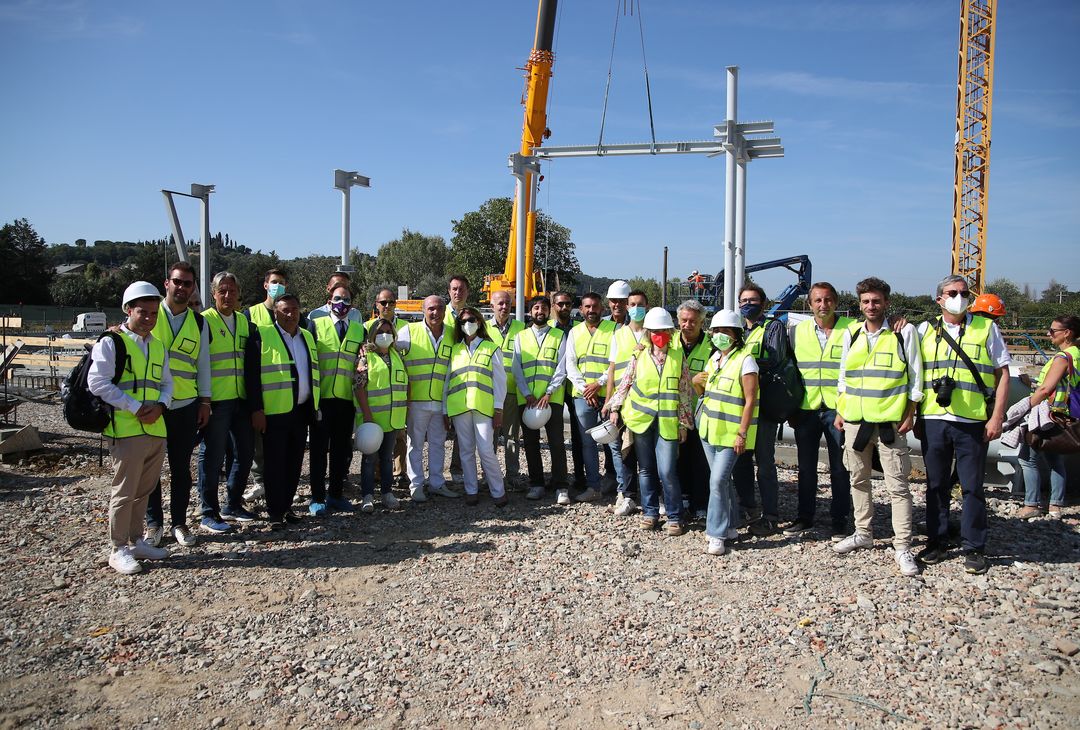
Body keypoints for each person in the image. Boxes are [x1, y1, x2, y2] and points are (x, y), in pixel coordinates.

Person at [916, 275, 1011, 575]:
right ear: (939, 299)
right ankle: (937, 541)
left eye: (964, 292)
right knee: (935, 485)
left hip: (972, 421)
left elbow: (1003, 373)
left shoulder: (986, 327)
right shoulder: (924, 330)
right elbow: (914, 374)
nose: (959, 296)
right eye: (952, 292)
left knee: (971, 488)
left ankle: (974, 547)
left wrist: (996, 416)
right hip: (934, 419)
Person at [832, 277, 923, 577]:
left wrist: (911, 412)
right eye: (866, 301)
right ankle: (863, 533)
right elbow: (844, 374)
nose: (871, 306)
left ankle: (903, 546)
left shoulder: (903, 332)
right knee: (858, 480)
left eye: (876, 301)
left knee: (898, 486)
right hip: (855, 421)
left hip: (889, 422)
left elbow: (914, 377)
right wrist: (840, 410)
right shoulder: (853, 333)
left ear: (886, 302)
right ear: (859, 304)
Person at [89, 281, 173, 574]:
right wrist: (136, 408)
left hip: (155, 428)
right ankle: (118, 548)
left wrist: (161, 405)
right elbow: (97, 382)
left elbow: (166, 384)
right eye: (143, 312)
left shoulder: (157, 346)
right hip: (126, 429)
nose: (149, 318)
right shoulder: (112, 342)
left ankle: (137, 541)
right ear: (128, 310)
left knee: (144, 489)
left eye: (153, 313)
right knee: (124, 491)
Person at [606, 307, 694, 535]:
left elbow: (685, 391)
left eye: (664, 331)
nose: (659, 335)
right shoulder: (639, 355)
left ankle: (674, 516)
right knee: (646, 470)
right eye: (655, 331)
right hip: (641, 420)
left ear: (670, 332)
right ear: (648, 332)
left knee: (667, 470)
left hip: (668, 422)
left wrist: (684, 423)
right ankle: (650, 513)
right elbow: (625, 383)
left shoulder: (677, 356)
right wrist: (614, 406)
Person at [145, 261, 213, 546]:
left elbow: (203, 366)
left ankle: (179, 523)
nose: (182, 287)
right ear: (167, 283)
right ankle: (153, 524)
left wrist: (205, 401)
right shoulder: (149, 314)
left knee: (180, 468)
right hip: (152, 405)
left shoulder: (198, 322)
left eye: (188, 283)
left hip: (185, 405)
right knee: (151, 468)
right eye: (177, 282)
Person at [783, 282, 853, 541]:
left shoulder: (851, 329)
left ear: (836, 302)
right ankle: (805, 517)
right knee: (806, 468)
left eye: (828, 300)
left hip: (839, 410)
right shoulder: (797, 331)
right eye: (817, 301)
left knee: (839, 468)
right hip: (807, 409)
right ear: (809, 304)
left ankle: (839, 521)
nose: (823, 305)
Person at [245, 294, 319, 528]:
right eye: (285, 310)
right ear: (275, 312)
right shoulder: (262, 335)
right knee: (275, 464)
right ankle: (275, 511)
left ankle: (286, 507)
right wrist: (257, 409)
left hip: (301, 411)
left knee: (295, 463)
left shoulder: (306, 336)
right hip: (274, 412)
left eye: (295, 309)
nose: (290, 314)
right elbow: (252, 376)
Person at [694, 310, 758, 556]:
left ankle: (716, 533)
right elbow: (704, 393)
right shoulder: (715, 359)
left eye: (726, 331)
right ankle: (731, 525)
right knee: (722, 480)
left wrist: (742, 433)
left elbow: (750, 400)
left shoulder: (746, 360)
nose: (720, 335)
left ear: (736, 335)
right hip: (709, 430)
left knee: (717, 481)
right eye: (717, 331)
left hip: (732, 434)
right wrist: (696, 381)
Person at [196, 272, 257, 529]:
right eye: (222, 291)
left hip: (240, 400)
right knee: (212, 455)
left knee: (243, 454)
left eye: (232, 290)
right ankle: (208, 511)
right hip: (216, 401)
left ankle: (232, 503)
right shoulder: (204, 321)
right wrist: (204, 400)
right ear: (213, 294)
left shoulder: (243, 322)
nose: (228, 296)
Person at [731, 284, 790, 537]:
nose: (748, 304)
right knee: (741, 461)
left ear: (763, 304)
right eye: (744, 300)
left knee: (765, 462)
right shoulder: (739, 330)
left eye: (753, 300)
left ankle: (770, 515)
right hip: (741, 405)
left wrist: (745, 365)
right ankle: (748, 507)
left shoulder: (772, 327)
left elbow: (775, 359)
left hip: (764, 406)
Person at [307, 283, 366, 515]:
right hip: (321, 399)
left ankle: (336, 495)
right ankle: (317, 497)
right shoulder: (315, 325)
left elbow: (361, 365)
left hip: (345, 400)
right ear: (330, 301)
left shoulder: (357, 330)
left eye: (347, 300)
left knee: (341, 451)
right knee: (319, 450)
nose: (342, 303)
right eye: (338, 298)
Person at [443, 306, 508, 506]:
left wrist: (498, 409)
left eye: (471, 320)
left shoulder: (491, 348)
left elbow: (500, 382)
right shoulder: (454, 349)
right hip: (460, 407)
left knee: (486, 450)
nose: (467, 324)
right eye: (462, 322)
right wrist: (446, 411)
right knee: (465, 451)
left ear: (479, 322)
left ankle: (498, 491)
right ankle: (471, 490)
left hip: (483, 407)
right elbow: (447, 381)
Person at [1016, 315, 1080, 520]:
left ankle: (1031, 503)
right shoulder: (1077, 354)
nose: (1048, 334)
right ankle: (1055, 506)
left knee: (1028, 458)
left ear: (1067, 333)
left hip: (1049, 415)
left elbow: (1046, 388)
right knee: (1054, 458)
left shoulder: (1062, 357)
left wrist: (1026, 405)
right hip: (1064, 415)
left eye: (1053, 331)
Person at [397, 295, 459, 501]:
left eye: (440, 308)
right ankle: (416, 485)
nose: (436, 312)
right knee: (415, 444)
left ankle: (437, 483)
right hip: (416, 401)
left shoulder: (452, 334)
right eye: (431, 308)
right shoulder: (408, 331)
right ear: (423, 310)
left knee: (438, 443)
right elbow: (394, 359)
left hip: (441, 402)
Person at [513, 296, 569, 503]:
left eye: (544, 308)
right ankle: (536, 483)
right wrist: (527, 392)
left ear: (549, 312)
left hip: (551, 399)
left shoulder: (558, 336)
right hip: (527, 400)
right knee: (530, 443)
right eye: (536, 308)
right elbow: (516, 367)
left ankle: (561, 485)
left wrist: (549, 392)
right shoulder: (521, 336)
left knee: (556, 442)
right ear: (530, 312)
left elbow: (562, 367)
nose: (540, 311)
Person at [565, 291, 620, 503]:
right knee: (587, 443)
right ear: (581, 309)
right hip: (582, 396)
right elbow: (570, 363)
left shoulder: (614, 330)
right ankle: (593, 486)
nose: (591, 310)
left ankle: (621, 486)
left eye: (595, 306)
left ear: (602, 309)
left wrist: (599, 384)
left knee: (612, 442)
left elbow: (615, 363)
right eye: (587, 307)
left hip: (607, 395)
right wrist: (584, 388)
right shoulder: (575, 332)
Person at [243, 267, 289, 504]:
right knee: (257, 443)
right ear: (265, 285)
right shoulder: (251, 314)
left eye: (281, 282)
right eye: (274, 282)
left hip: (284, 392)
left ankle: (277, 483)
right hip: (259, 389)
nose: (278, 286)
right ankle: (259, 482)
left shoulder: (290, 314)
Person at [604, 286, 649, 515]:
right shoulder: (619, 335)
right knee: (626, 449)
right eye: (632, 304)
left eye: (640, 304)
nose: (636, 308)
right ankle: (628, 495)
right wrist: (610, 401)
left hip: (647, 400)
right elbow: (612, 369)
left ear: (647, 307)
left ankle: (653, 495)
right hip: (623, 400)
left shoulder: (653, 333)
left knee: (648, 451)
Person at [355, 318, 407, 512]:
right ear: (373, 336)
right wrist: (367, 415)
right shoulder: (365, 357)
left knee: (386, 458)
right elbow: (359, 388)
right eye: (380, 332)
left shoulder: (397, 356)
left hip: (393, 419)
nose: (384, 335)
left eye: (388, 331)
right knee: (369, 459)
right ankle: (367, 495)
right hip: (373, 419)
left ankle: (387, 493)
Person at [675, 299, 714, 518]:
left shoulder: (712, 346)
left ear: (701, 322)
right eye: (684, 320)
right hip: (677, 413)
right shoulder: (670, 343)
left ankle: (701, 505)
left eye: (693, 321)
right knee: (679, 459)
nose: (687, 325)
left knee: (700, 461)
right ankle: (683, 498)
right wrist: (691, 379)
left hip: (701, 414)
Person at [365, 286, 408, 486]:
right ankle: (376, 476)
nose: (387, 306)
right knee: (375, 441)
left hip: (398, 393)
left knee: (400, 437)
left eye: (391, 302)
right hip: (377, 398)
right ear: (377, 305)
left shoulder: (406, 327)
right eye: (383, 302)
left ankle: (399, 474)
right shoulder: (366, 327)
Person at [487, 290, 526, 483]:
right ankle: (490, 476)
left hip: (512, 392)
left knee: (512, 436)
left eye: (507, 304)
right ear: (492, 306)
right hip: (490, 393)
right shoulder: (483, 329)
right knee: (490, 437)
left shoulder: (521, 328)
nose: (504, 307)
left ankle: (512, 474)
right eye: (500, 303)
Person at [553, 290, 586, 492]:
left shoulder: (579, 329)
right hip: (555, 391)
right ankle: (558, 478)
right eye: (560, 304)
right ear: (553, 305)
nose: (564, 308)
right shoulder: (546, 329)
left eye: (567, 304)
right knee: (556, 437)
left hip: (575, 389)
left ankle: (580, 477)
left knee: (578, 435)